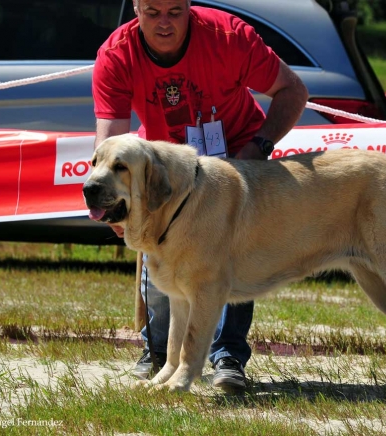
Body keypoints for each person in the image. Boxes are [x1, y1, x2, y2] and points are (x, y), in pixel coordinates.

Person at [92, 0, 308, 390]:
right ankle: (157, 354)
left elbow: (293, 90)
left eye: (175, 11)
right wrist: (114, 200)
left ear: (190, 7)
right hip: (165, 168)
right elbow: (111, 142)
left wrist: (257, 149)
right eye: (152, 11)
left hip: (238, 155)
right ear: (135, 9)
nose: (164, 23)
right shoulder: (116, 54)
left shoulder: (230, 36)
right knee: (157, 252)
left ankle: (227, 357)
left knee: (222, 262)